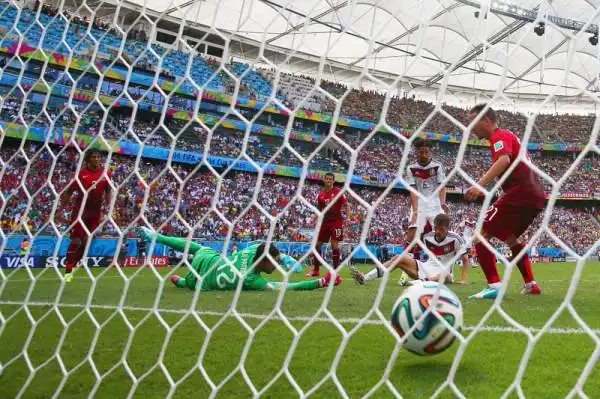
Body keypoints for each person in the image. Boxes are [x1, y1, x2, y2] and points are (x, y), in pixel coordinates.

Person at [465, 104, 544, 299]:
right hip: (534, 196)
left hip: (521, 193)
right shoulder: (509, 136)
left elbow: (504, 161)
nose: (471, 127)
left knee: (481, 234)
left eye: (473, 122)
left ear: (486, 121)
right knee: (509, 237)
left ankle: (493, 285)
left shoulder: (499, 137)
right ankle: (531, 283)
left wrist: (479, 186)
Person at [139, 228, 341, 291]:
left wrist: (284, 258)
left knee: (197, 247)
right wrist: (320, 282)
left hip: (206, 259)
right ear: (263, 261)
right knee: (189, 282)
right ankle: (181, 282)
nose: (276, 265)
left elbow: (265, 246)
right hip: (197, 282)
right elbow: (286, 287)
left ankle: (156, 236)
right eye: (274, 262)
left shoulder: (252, 249)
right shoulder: (251, 279)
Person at [351, 214, 469, 285]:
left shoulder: (456, 239)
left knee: (444, 274)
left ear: (448, 228)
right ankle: (365, 278)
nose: (437, 232)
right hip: (425, 268)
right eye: (436, 228)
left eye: (441, 229)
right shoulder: (428, 237)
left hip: (444, 274)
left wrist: (463, 280)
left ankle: (416, 284)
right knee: (398, 258)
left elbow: (465, 260)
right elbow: (414, 251)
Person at [62, 149, 112, 282]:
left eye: (98, 157)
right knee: (76, 241)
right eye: (94, 157)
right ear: (88, 160)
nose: (97, 159)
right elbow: (69, 191)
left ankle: (72, 266)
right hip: (80, 212)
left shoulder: (105, 173)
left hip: (95, 214)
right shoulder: (81, 174)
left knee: (86, 243)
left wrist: (109, 205)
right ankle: (68, 272)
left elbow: (108, 191)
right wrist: (60, 209)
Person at [306, 173, 351, 277]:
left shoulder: (338, 192)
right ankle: (316, 270)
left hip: (336, 221)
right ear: (324, 180)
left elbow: (346, 205)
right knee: (317, 245)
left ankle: (334, 272)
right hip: (325, 222)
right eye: (327, 179)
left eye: (331, 179)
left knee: (334, 244)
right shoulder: (321, 195)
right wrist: (314, 217)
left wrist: (348, 217)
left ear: (333, 181)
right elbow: (319, 209)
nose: (329, 181)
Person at [406, 139, 449, 234]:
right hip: (419, 203)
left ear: (430, 152)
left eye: (426, 152)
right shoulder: (411, 168)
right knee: (413, 232)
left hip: (435, 203)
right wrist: (415, 211)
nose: (424, 155)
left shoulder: (437, 166)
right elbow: (413, 190)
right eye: (421, 152)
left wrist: (442, 204)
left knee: (440, 231)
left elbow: (441, 187)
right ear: (417, 152)